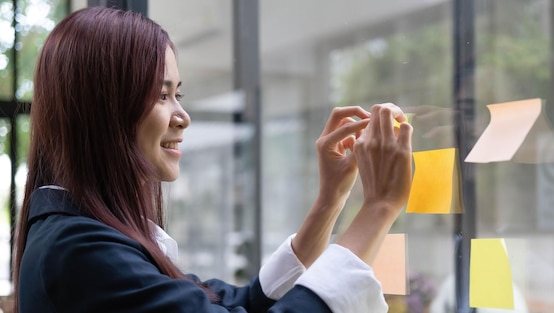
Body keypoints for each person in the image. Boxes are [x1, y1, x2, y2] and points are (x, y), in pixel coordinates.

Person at [12, 7, 413, 313]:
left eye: (177, 95)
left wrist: (331, 199)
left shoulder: (75, 236)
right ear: (102, 110)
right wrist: (377, 208)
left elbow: (239, 301)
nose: (182, 117)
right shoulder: (80, 252)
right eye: (160, 94)